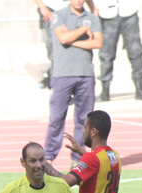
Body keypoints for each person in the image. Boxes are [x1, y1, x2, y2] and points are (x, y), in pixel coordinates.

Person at [43, 0, 102, 166]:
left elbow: (97, 42)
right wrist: (83, 30)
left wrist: (72, 40)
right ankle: (49, 156)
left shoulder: (92, 18)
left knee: (85, 121)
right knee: (56, 118)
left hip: (86, 74)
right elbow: (63, 38)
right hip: (62, 74)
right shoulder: (59, 15)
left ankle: (78, 158)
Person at [93, 0, 142, 101]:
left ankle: (139, 88)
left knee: (135, 51)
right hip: (107, 13)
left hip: (129, 12)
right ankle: (105, 89)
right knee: (106, 54)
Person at [32, 0, 95, 88]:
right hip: (50, 9)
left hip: (71, 9)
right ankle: (56, 86)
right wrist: (42, 6)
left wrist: (92, 7)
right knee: (55, 52)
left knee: (74, 50)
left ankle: (50, 77)